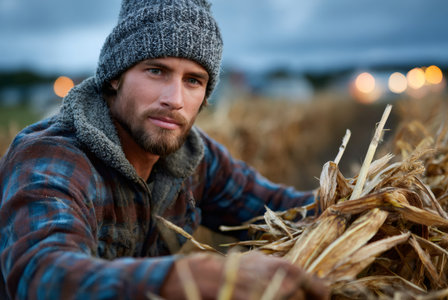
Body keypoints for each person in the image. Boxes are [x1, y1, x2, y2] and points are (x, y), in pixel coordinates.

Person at [0, 0, 329, 299]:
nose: (175, 99)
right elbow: (43, 275)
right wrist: (185, 277)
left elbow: (284, 212)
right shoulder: (51, 158)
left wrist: (359, 207)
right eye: (156, 71)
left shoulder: (195, 159)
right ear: (115, 77)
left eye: (193, 81)